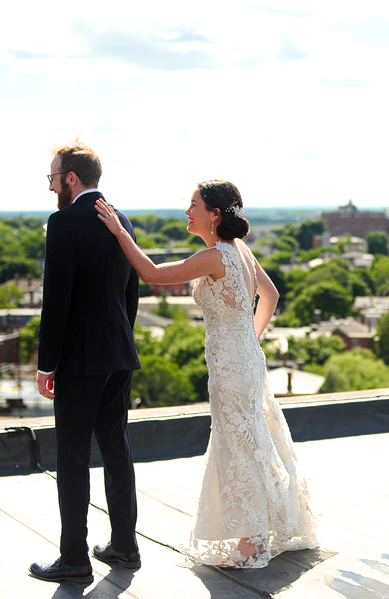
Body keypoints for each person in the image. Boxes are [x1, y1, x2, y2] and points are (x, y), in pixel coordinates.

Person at [95, 180, 317, 568]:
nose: (187, 211)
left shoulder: (215, 256)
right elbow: (272, 295)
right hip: (245, 359)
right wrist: (247, 339)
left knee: (239, 444)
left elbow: (150, 273)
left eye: (193, 204)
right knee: (254, 440)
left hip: (233, 366)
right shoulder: (240, 251)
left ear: (214, 214)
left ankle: (251, 544)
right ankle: (263, 528)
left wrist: (118, 231)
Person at [29, 141, 142, 584]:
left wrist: (46, 364)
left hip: (79, 358)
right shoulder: (120, 219)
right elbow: (130, 291)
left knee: (72, 456)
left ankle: (75, 559)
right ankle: (125, 546)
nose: (52, 186)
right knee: (117, 449)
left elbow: (55, 300)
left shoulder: (64, 221)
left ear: (71, 179)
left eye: (53, 178)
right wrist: (119, 339)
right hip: (118, 352)